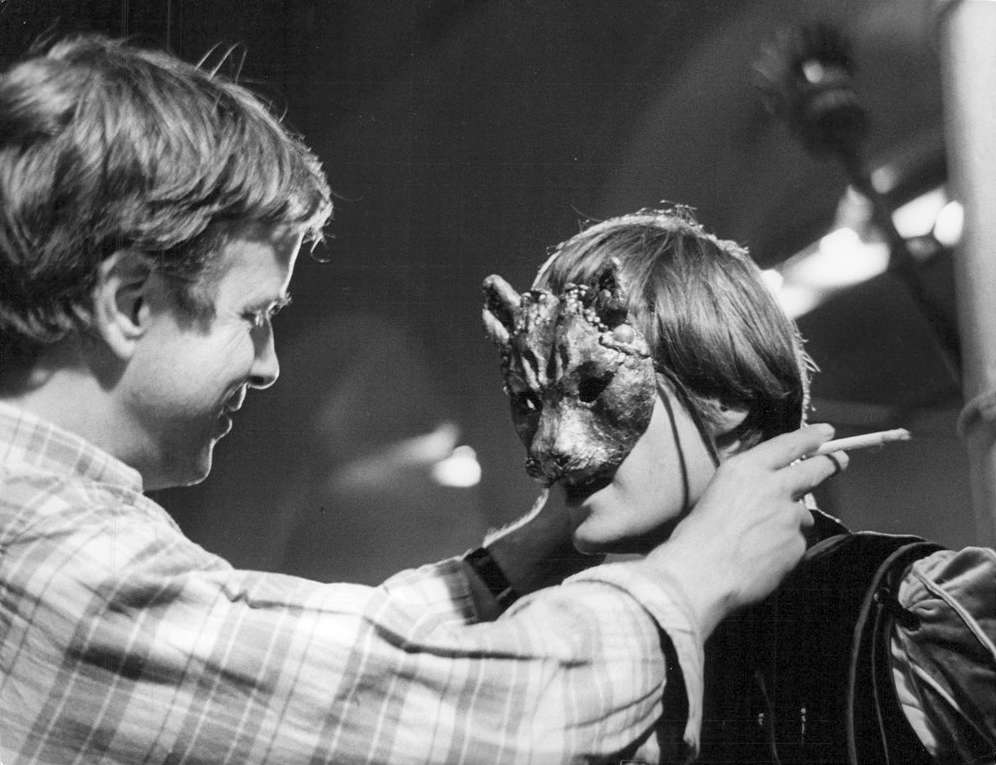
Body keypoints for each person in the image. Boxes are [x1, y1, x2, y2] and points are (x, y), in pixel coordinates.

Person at [0, 35, 845, 764]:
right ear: (129, 302)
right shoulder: (57, 564)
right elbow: (446, 713)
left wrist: (524, 553)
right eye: (252, 316)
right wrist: (694, 577)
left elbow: (326, 665)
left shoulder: (51, 539)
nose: (269, 367)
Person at [482, 206, 996, 764]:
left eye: (591, 388)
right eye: (531, 403)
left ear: (725, 392)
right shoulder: (598, 657)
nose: (547, 449)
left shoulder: (906, 613)